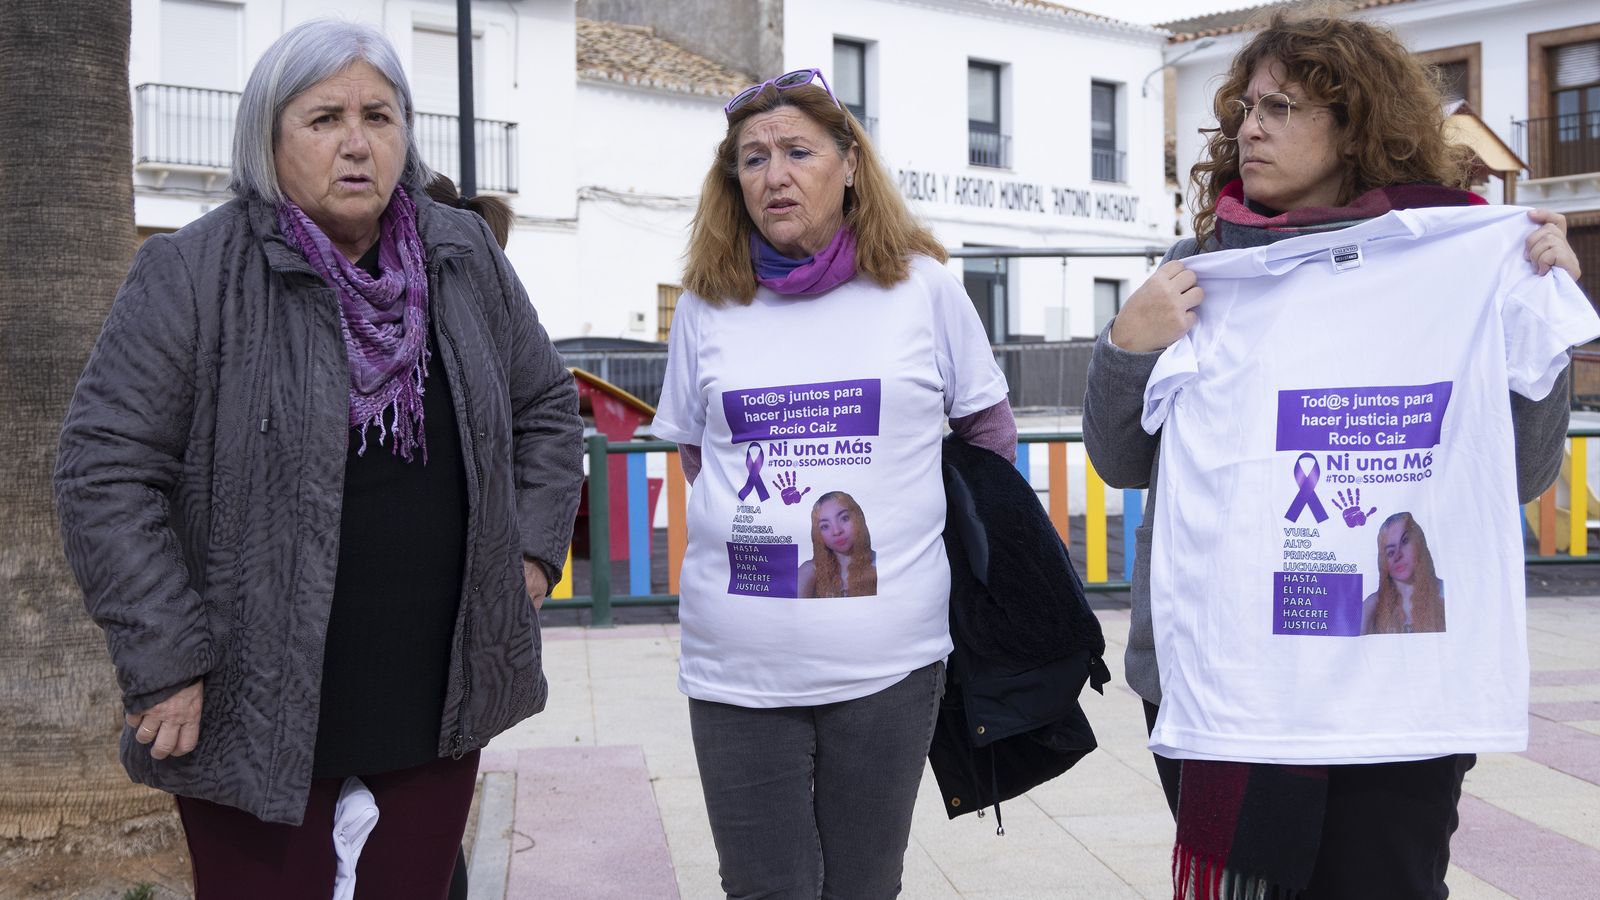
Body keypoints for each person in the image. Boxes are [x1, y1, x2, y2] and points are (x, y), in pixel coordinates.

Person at [54, 20, 583, 900]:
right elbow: (104, 469)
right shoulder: (193, 274)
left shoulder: (462, 258)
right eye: (323, 117)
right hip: (247, 697)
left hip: (438, 685)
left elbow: (544, 409)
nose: (356, 143)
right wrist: (165, 662)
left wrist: (527, 555)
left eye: (378, 116)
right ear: (268, 136)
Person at [1082, 11, 1584, 899]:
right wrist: (1128, 344)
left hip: (1399, 677)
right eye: (1244, 108)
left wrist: (1536, 335)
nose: (1249, 128)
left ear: (1355, 127)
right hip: (1221, 669)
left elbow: (1523, 475)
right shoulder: (1200, 269)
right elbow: (1122, 460)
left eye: (1280, 107)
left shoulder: (1458, 260)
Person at [652, 67, 1014, 897]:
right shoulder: (708, 304)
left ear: (850, 164)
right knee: (763, 888)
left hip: (890, 667)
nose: (773, 175)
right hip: (736, 668)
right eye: (751, 159)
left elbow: (989, 440)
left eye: (796, 151)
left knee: (862, 886)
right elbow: (702, 459)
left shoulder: (923, 290)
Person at [1361, 512, 1445, 635]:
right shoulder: (1371, 606)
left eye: (1405, 541)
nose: (1398, 555)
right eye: (1390, 552)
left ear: (1419, 543)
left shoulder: (1447, 594)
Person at [797, 491, 877, 598]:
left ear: (859, 519)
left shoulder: (882, 564)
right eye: (825, 526)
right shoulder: (809, 571)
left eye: (844, 518)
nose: (836, 531)